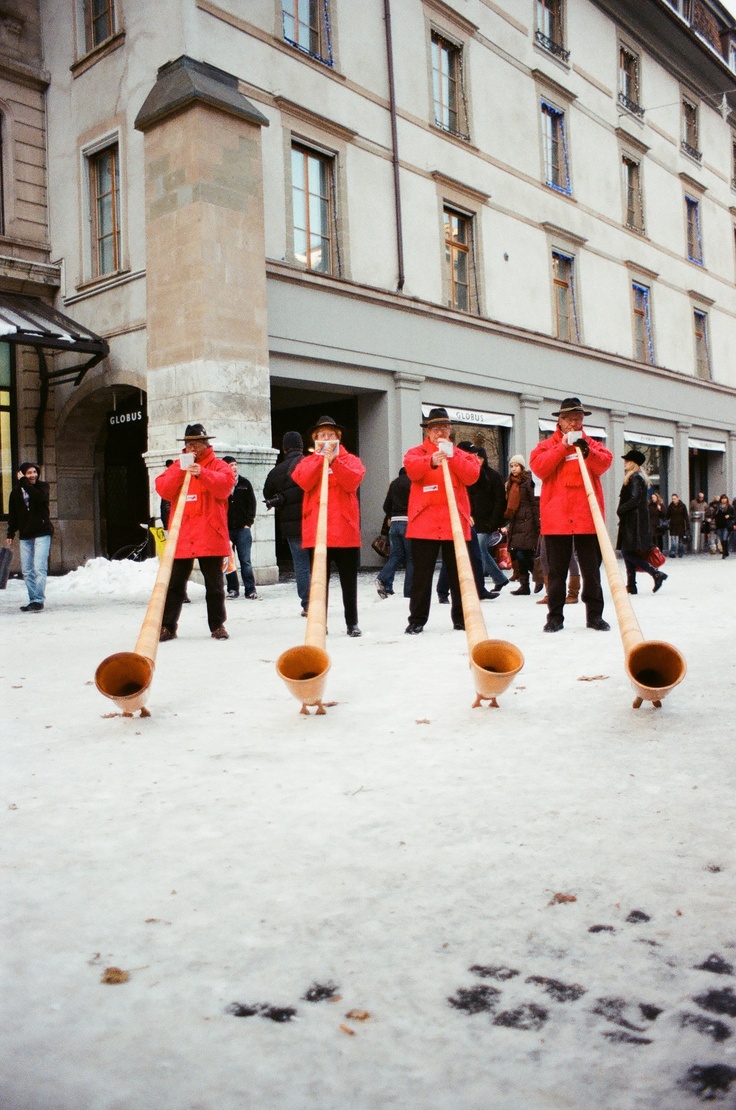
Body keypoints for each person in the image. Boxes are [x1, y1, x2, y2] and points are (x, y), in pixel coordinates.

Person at [529, 397, 613, 633]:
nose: (576, 424)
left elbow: (604, 463)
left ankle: (594, 616)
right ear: (561, 421)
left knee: (591, 572)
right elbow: (539, 467)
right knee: (556, 573)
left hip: (588, 518)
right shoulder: (546, 446)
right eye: (571, 419)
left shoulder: (591, 444)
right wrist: (563, 447)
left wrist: (587, 453)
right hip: (557, 520)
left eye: (579, 419)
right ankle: (555, 617)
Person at [403, 407, 481, 635]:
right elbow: (412, 471)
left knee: (460, 574)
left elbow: (471, 476)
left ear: (450, 430)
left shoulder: (462, 454)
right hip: (424, 523)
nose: (440, 432)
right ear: (427, 431)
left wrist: (452, 456)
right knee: (421, 576)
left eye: (444, 428)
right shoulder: (416, 452)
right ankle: (417, 619)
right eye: (435, 428)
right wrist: (431, 460)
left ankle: (461, 618)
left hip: (454, 522)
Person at [155, 423, 234, 641]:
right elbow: (163, 488)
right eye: (189, 443)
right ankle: (167, 626)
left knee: (215, 586)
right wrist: (182, 469)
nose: (193, 447)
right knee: (174, 586)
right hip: (183, 534)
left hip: (210, 531)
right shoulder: (178, 466)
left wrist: (203, 473)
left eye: (197, 443)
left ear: (206, 444)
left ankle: (217, 625)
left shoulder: (218, 465)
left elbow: (225, 487)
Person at [292, 415, 365, 637]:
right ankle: (318, 622)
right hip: (318, 531)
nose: (326, 438)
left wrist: (335, 461)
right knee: (319, 582)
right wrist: (319, 460)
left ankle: (352, 622)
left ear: (338, 438)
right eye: (322, 435)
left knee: (348, 581)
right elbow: (303, 481)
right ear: (315, 439)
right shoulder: (307, 461)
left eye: (330, 434)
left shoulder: (350, 459)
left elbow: (353, 481)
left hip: (344, 529)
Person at [263, 431, 311, 616]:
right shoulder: (310, 464)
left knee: (301, 564)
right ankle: (319, 601)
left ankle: (307, 604)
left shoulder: (277, 471)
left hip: (292, 526)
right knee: (319, 562)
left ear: (284, 449)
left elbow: (267, 494)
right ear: (301, 446)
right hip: (313, 520)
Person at [616, 450, 667, 594]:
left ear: (633, 463)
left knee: (627, 552)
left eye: (627, 461)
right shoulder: (637, 477)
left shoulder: (635, 477)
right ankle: (631, 585)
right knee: (629, 551)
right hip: (634, 520)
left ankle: (655, 573)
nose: (625, 463)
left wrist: (621, 509)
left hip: (633, 521)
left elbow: (635, 499)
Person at [6, 461, 53, 612]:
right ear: (22, 474)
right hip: (25, 534)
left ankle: (39, 600)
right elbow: (13, 515)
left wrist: (24, 483)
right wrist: (10, 533)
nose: (33, 475)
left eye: (34, 472)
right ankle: (33, 599)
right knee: (27, 570)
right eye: (29, 473)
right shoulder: (15, 492)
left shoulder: (43, 487)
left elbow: (39, 499)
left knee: (39, 567)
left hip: (42, 532)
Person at [471, 447, 511, 593]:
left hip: (488, 520)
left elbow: (499, 500)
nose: (478, 461)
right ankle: (499, 579)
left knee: (480, 549)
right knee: (479, 550)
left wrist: (495, 521)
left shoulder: (493, 476)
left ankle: (480, 583)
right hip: (475, 520)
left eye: (480, 458)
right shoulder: (472, 475)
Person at [222, 456, 258, 599]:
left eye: (235, 464)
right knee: (230, 562)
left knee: (245, 560)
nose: (234, 467)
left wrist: (248, 523)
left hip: (243, 529)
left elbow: (252, 504)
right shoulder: (222, 484)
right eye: (231, 465)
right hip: (227, 529)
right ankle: (233, 589)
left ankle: (250, 589)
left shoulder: (245, 483)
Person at [504, 454, 539, 596]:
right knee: (518, 554)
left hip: (527, 522)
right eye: (512, 466)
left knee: (523, 553)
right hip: (515, 522)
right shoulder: (510, 483)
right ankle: (524, 585)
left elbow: (535, 503)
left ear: (522, 467)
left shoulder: (528, 482)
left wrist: (538, 523)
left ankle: (539, 577)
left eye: (516, 465)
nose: (514, 468)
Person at [376, 466, 413, 600]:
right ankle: (409, 592)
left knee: (396, 556)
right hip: (408, 522)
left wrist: (392, 515)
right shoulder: (413, 481)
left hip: (395, 524)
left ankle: (383, 578)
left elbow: (386, 506)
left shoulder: (394, 484)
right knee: (411, 558)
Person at [666, 494, 689, 558]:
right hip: (673, 525)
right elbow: (667, 516)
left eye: (674, 499)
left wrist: (687, 525)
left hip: (681, 525)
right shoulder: (670, 506)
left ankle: (680, 553)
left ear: (678, 498)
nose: (673, 500)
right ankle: (672, 552)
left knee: (680, 540)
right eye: (672, 499)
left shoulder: (683, 506)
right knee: (673, 540)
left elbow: (686, 516)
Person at [714, 494, 734, 558]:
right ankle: (726, 551)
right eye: (722, 498)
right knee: (721, 538)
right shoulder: (718, 507)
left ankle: (724, 553)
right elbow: (714, 514)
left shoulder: (730, 507)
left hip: (726, 524)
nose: (724, 500)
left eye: (725, 498)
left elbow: (734, 515)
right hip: (719, 524)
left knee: (725, 538)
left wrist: (729, 516)